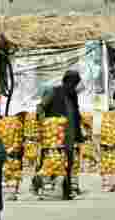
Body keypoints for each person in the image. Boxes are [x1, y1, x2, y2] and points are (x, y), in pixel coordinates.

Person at [35, 70, 85, 200]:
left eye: (75, 84)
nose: (73, 86)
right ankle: (40, 185)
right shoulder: (53, 92)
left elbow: (76, 112)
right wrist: (45, 124)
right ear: (66, 81)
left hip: (69, 135)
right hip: (54, 136)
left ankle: (66, 191)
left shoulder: (73, 94)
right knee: (51, 162)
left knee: (67, 162)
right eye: (72, 83)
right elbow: (40, 107)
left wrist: (80, 132)